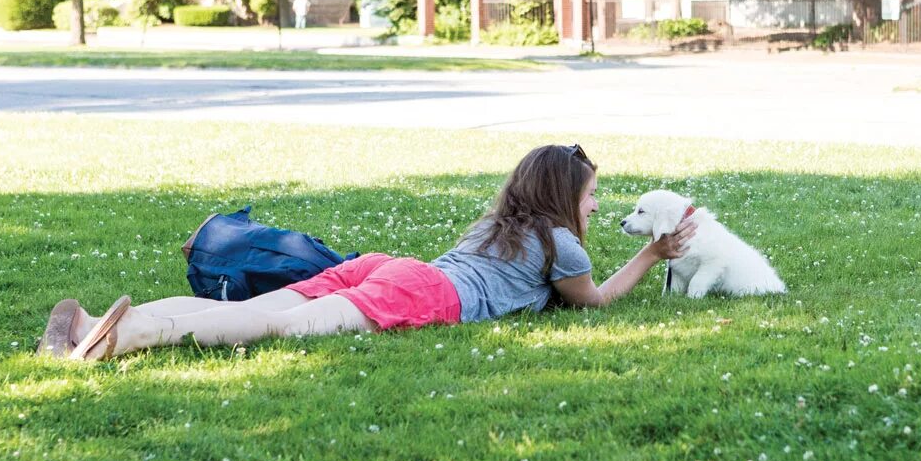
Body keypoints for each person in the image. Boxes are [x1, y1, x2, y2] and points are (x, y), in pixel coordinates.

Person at [39, 144, 696, 361]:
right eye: (591, 196)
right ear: (562, 197)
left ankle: (97, 324)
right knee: (277, 323)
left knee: (268, 304)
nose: (596, 207)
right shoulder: (561, 247)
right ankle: (126, 337)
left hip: (395, 268)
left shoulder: (499, 221)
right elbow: (596, 301)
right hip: (424, 293)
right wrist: (654, 253)